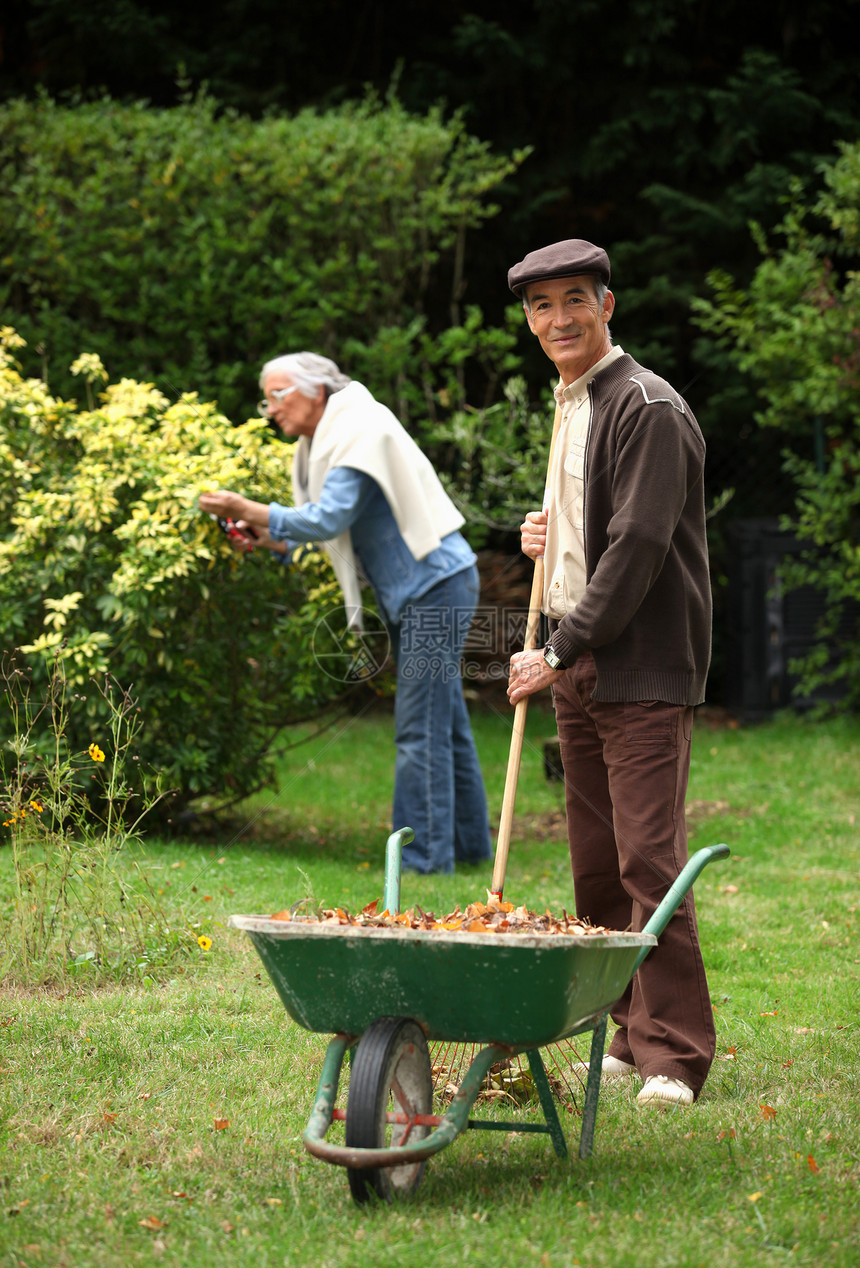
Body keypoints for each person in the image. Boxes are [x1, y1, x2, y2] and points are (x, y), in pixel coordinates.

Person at [504, 239, 715, 1108]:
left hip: (635, 668)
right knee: (595, 866)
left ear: (607, 305)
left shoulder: (648, 406)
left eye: (573, 301)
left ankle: (674, 1055)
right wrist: (543, 544)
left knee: (648, 866)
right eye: (541, 306)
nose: (558, 319)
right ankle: (624, 1030)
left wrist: (555, 651)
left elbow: (637, 549)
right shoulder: (573, 403)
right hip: (579, 665)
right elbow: (595, 530)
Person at [198, 351, 492, 876]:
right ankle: (467, 850)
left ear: (315, 390)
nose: (270, 409)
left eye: (277, 394)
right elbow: (333, 530)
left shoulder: (357, 425)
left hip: (436, 587)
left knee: (418, 729)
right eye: (265, 398)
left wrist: (249, 509)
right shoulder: (324, 440)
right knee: (443, 724)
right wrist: (268, 539)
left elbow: (328, 516)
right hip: (426, 588)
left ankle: (423, 861)